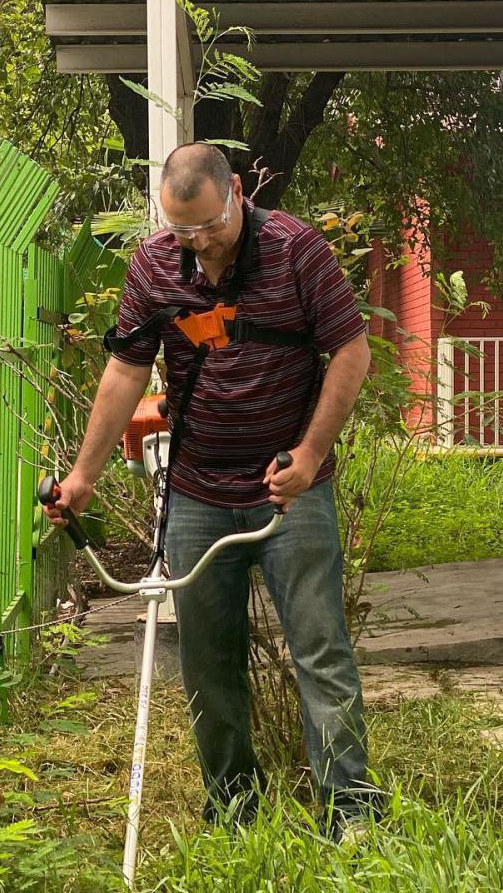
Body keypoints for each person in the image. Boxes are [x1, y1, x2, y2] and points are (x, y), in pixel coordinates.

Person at [44, 143, 377, 827]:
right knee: (206, 662)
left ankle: (352, 813)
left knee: (320, 651)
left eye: (208, 227)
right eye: (180, 231)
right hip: (196, 492)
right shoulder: (155, 265)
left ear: (236, 197)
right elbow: (125, 371)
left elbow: (352, 350)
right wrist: (83, 477)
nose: (196, 243)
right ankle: (234, 808)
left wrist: (311, 454)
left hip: (292, 489)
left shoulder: (296, 251)